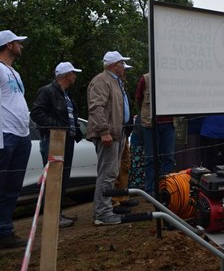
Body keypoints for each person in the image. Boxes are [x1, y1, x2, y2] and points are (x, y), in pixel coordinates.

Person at [30, 62, 84, 228]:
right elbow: (36, 113)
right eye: (73, 73)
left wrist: (76, 130)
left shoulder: (66, 94)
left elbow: (69, 116)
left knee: (63, 178)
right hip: (54, 140)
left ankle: (57, 213)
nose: (75, 76)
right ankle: (52, 217)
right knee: (54, 178)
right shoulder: (47, 91)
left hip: (67, 141)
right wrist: (57, 127)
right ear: (66, 75)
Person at [87, 51, 131, 226]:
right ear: (114, 65)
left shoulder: (113, 81)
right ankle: (102, 213)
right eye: (122, 63)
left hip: (117, 133)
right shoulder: (101, 80)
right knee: (107, 173)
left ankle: (105, 211)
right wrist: (104, 131)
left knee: (111, 173)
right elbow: (96, 107)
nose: (124, 67)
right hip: (108, 135)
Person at [0, 30, 30, 249]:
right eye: (18, 42)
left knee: (12, 188)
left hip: (21, 135)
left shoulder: (14, 73)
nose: (21, 45)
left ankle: (5, 232)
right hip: (5, 135)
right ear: (9, 45)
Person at [135, 72, 175, 196]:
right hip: (150, 124)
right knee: (150, 158)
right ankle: (151, 191)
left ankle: (165, 189)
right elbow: (138, 99)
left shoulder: (173, 77)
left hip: (169, 123)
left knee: (168, 157)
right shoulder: (145, 78)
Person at [112, 62, 137, 214]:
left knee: (124, 166)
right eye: (124, 69)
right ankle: (114, 201)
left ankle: (123, 197)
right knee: (114, 168)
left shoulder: (121, 85)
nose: (125, 72)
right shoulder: (112, 85)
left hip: (124, 133)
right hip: (117, 132)